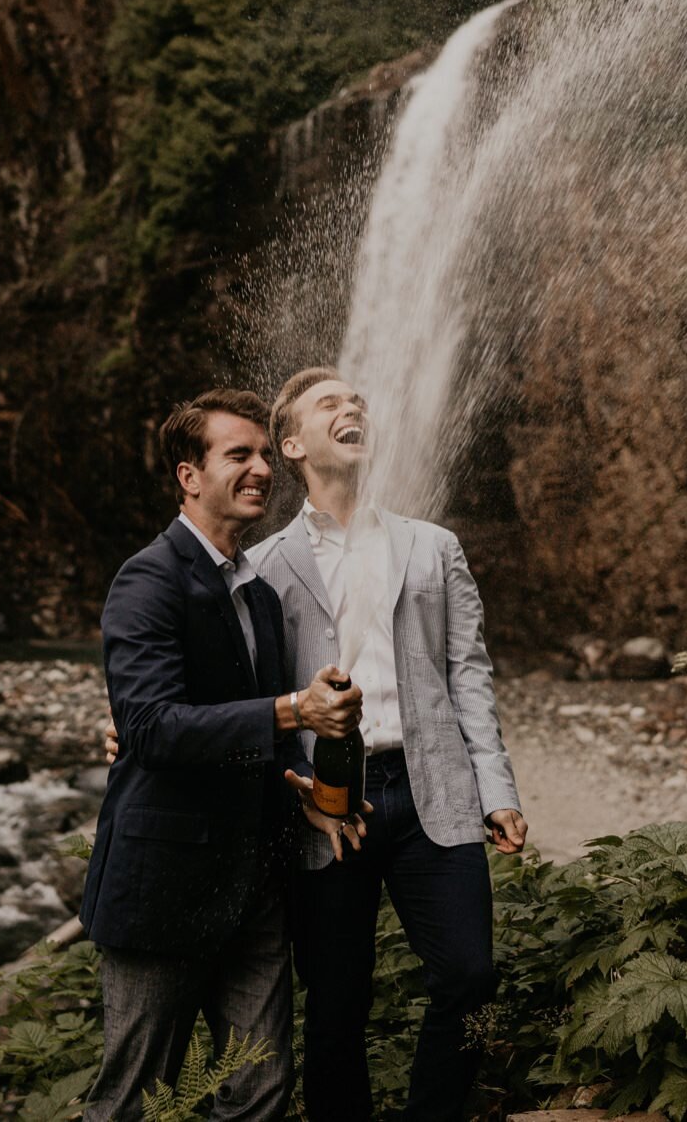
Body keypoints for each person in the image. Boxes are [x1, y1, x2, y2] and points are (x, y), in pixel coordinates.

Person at [80, 388, 364, 1122]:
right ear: (189, 475)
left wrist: (306, 794)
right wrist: (290, 709)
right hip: (163, 884)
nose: (262, 468)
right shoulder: (148, 579)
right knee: (131, 1102)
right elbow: (149, 728)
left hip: (253, 885)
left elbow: (256, 741)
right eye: (238, 454)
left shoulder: (261, 595)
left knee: (261, 1093)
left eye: (267, 454)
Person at [253, 366, 525, 1122]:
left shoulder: (433, 546)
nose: (353, 409)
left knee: (470, 976)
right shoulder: (264, 568)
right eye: (329, 404)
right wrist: (293, 789)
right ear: (293, 443)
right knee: (337, 1001)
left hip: (431, 786)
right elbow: (254, 698)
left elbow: (469, 674)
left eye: (358, 402)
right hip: (328, 805)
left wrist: (497, 790)